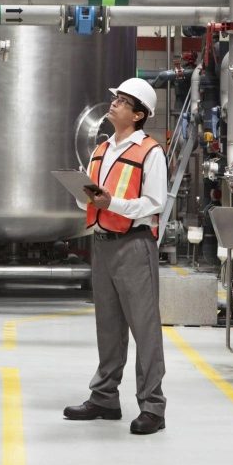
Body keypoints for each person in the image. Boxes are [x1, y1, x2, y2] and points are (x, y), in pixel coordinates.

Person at [63, 77, 168, 435]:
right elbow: (91, 202)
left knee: (144, 328)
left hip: (134, 245)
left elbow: (154, 203)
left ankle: (153, 407)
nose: (115, 104)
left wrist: (112, 203)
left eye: (123, 101)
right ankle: (105, 397)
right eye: (116, 99)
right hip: (103, 242)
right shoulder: (102, 149)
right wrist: (83, 196)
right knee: (108, 325)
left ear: (138, 115)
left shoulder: (150, 152)